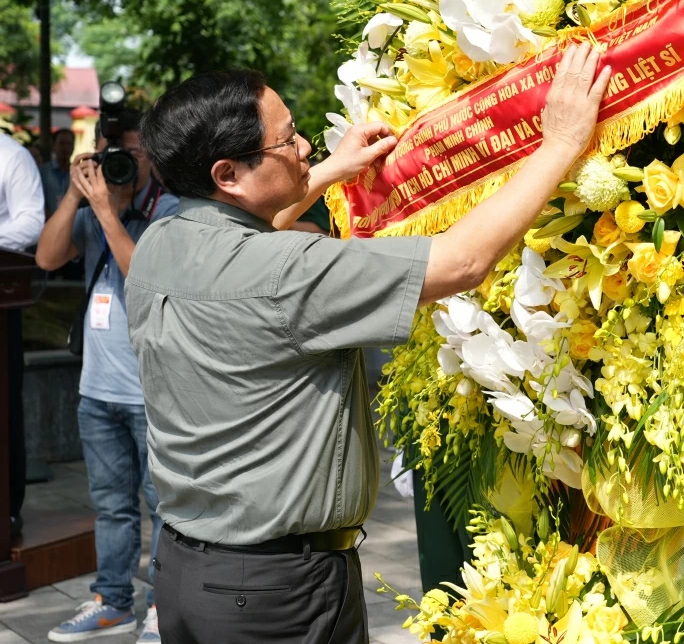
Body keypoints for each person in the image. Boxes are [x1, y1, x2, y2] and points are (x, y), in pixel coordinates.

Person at [123, 44, 610, 644]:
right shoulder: (288, 274)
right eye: (287, 143)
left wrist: (326, 172)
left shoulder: (160, 241)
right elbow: (462, 262)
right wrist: (560, 142)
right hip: (277, 594)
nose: (304, 148)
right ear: (227, 174)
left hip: (187, 572)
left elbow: (250, 234)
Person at [36, 112, 177, 644]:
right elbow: (48, 258)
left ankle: (164, 610)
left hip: (150, 394)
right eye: (111, 152)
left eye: (133, 152)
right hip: (96, 391)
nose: (121, 163)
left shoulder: (171, 212)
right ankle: (111, 601)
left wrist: (107, 211)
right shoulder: (92, 209)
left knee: (162, 508)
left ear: (154, 157)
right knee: (111, 507)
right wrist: (77, 195)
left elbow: (144, 280)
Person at [0, 130, 45, 540]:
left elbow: (31, 221)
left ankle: (6, 514)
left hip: (0, 300)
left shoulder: (11, 156)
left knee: (4, 409)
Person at [40, 128, 77, 217]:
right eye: (62, 143)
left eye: (69, 144)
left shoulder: (78, 174)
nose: (65, 148)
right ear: (53, 145)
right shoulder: (42, 172)